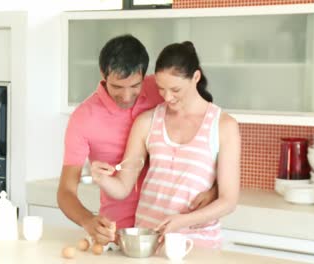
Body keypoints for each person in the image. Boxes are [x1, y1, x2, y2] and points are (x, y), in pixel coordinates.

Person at [57, 35, 218, 245]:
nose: (126, 96)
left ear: (145, 74)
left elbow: (207, 132)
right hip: (118, 231)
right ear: (102, 75)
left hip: (169, 226)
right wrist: (88, 220)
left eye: (135, 85)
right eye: (116, 86)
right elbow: (65, 191)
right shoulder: (83, 118)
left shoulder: (161, 89)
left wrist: (215, 190)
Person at [91, 41, 241, 248]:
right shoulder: (146, 122)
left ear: (196, 78)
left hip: (198, 245)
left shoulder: (224, 126)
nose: (168, 97)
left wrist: (183, 221)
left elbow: (228, 200)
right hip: (148, 243)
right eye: (161, 89)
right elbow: (124, 186)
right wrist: (102, 179)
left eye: (175, 89)